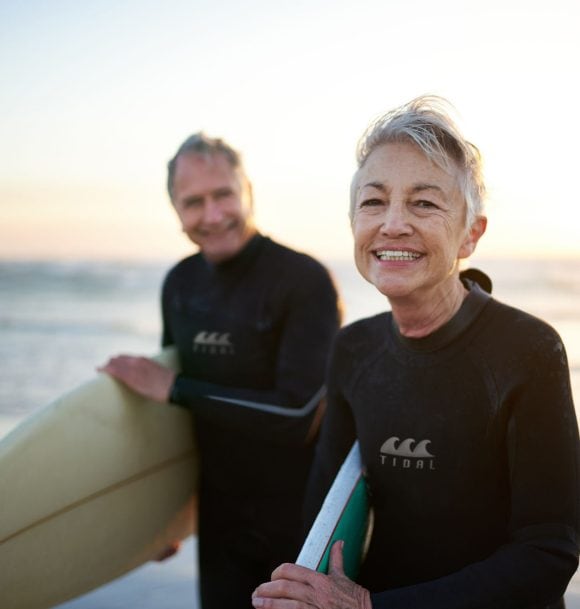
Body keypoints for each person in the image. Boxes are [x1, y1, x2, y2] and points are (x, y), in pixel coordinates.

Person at [251, 96, 580, 609]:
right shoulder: (353, 348)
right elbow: (327, 516)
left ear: (471, 234)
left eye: (424, 203)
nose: (393, 224)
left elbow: (549, 553)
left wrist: (368, 607)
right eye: (373, 202)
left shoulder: (528, 350)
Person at [100, 133, 341, 609]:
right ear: (175, 210)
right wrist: (165, 516)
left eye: (223, 195)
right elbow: (177, 423)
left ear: (247, 191)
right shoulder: (180, 285)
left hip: (301, 528)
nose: (212, 216)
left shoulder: (303, 280)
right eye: (193, 203)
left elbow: (298, 416)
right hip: (220, 530)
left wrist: (173, 386)